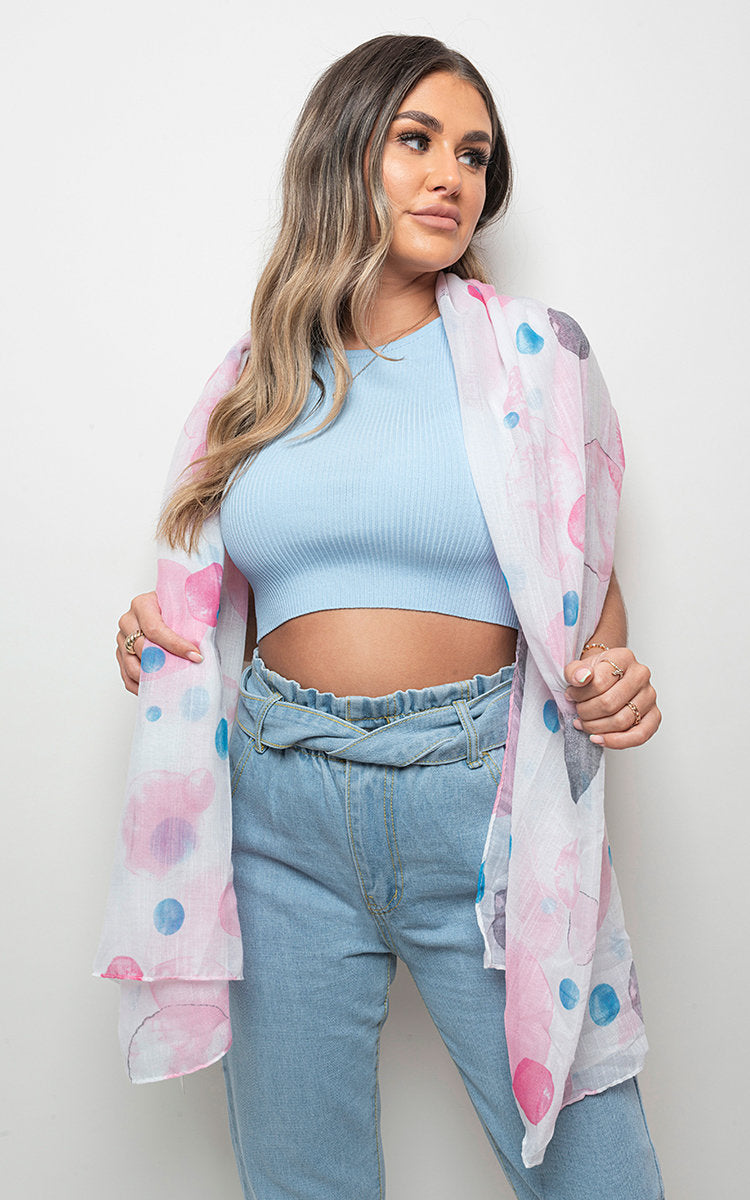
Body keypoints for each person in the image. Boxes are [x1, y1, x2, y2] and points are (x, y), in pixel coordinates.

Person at [101, 33, 664, 1200]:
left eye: (474, 154)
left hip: (484, 804)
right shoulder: (251, 384)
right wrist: (146, 632)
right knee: (301, 1180)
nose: (451, 176)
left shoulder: (538, 361)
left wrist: (612, 670)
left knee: (598, 1176)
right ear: (343, 152)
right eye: (417, 140)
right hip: (277, 811)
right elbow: (206, 595)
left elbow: (587, 586)